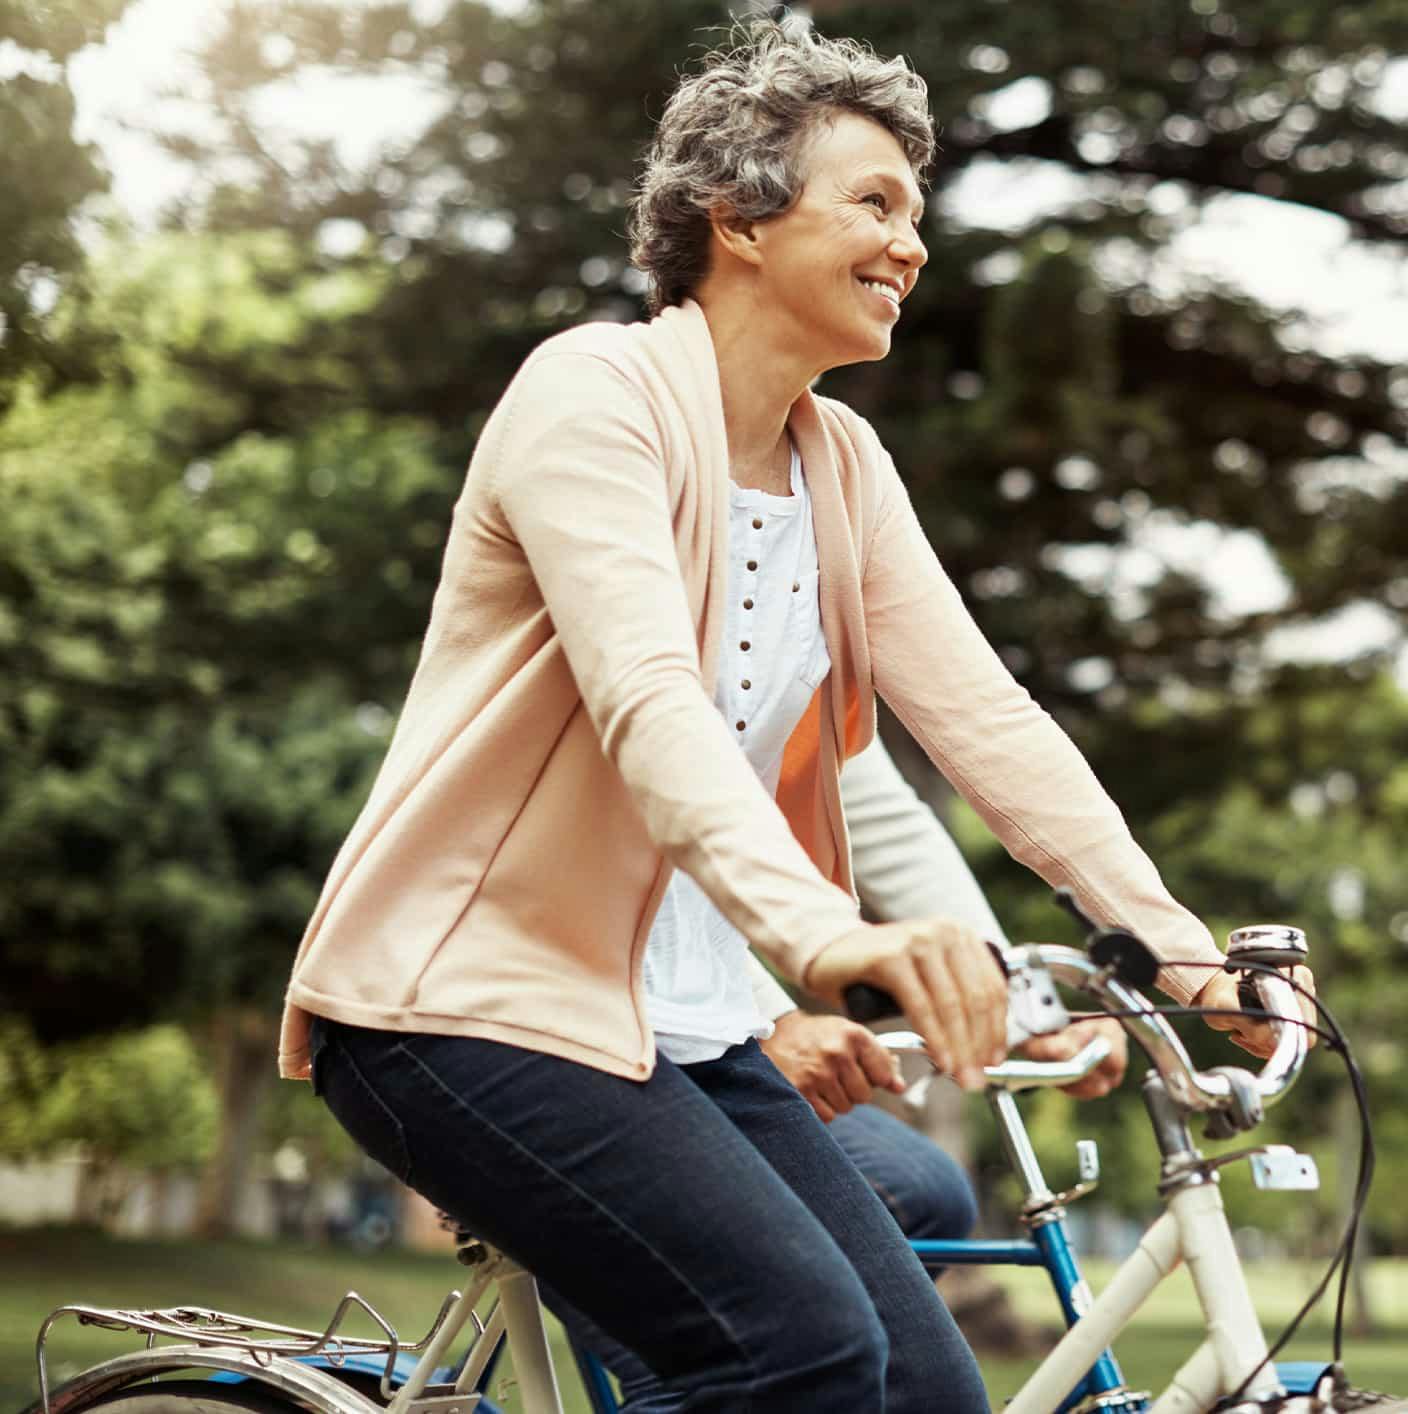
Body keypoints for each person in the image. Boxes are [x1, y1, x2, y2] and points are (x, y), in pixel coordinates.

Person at [279, 23, 1314, 1413]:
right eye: (873, 202)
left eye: (920, 215)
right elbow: (651, 702)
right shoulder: (596, 398)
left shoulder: (841, 463)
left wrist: (1184, 962)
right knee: (801, 1348)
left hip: (682, 1030)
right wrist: (826, 937)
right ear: (739, 219)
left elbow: (988, 723)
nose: (914, 244)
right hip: (460, 1008)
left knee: (928, 1393)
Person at [545, 733, 1128, 1414]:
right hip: (564, 1021)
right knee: (733, 1369)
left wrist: (1025, 1009)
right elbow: (663, 813)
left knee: (927, 1194)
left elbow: (886, 815)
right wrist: (778, 1014)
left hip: (708, 1031)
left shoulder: (811, 647)